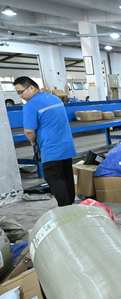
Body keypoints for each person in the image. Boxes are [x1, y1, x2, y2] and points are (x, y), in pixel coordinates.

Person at [14, 76, 76, 207]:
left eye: (21, 92)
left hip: (51, 148)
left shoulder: (30, 105)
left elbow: (29, 131)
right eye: (18, 93)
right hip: (66, 145)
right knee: (66, 176)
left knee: (53, 177)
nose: (20, 96)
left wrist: (33, 142)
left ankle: (66, 208)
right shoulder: (54, 98)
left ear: (31, 88)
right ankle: (71, 204)